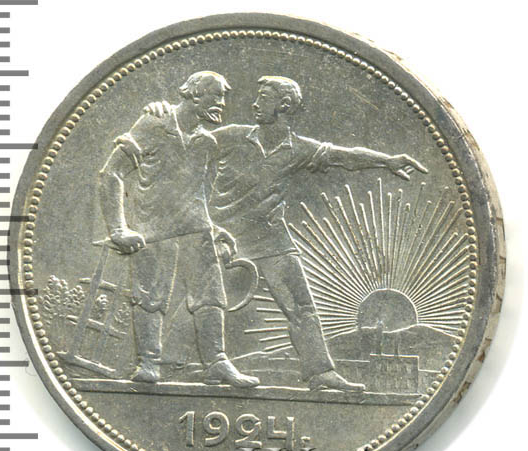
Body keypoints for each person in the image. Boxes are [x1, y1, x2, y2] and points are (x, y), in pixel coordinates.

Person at [145, 75, 427, 392]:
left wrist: (387, 161)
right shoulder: (232, 136)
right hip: (223, 234)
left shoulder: (297, 149)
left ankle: (320, 372)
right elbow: (185, 138)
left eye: (264, 98)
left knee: (301, 305)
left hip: (270, 237)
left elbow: (344, 156)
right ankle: (168, 363)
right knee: (203, 302)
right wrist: (162, 111)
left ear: (284, 105)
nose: (255, 104)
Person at [98, 71, 259, 388]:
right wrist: (118, 229)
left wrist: (214, 228)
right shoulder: (153, 122)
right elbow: (112, 172)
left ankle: (216, 362)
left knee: (211, 298)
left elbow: (196, 196)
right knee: (150, 298)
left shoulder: (206, 142)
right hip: (154, 231)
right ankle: (148, 362)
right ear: (196, 94)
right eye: (217, 96)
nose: (222, 104)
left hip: (197, 232)